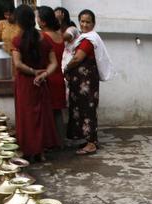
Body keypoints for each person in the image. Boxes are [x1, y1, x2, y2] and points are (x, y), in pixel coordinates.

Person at [10, 4, 58, 161]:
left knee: (27, 117)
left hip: (25, 83)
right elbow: (54, 63)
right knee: (41, 117)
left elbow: (18, 64)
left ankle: (28, 151)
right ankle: (41, 152)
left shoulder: (18, 40)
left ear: (19, 22)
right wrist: (43, 74)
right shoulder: (44, 38)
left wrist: (32, 72)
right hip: (40, 83)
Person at [65, 9, 113, 156]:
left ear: (93, 23)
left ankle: (91, 143)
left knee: (87, 110)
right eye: (82, 21)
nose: (84, 24)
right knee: (86, 109)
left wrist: (66, 68)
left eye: (88, 22)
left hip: (85, 84)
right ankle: (89, 140)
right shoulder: (86, 37)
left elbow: (77, 58)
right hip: (84, 83)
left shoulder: (88, 40)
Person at [36, 6, 65, 145]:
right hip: (59, 76)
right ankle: (60, 141)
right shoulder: (60, 35)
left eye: (38, 18)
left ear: (43, 22)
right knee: (57, 112)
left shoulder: (44, 37)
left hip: (48, 76)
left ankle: (49, 142)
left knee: (46, 112)